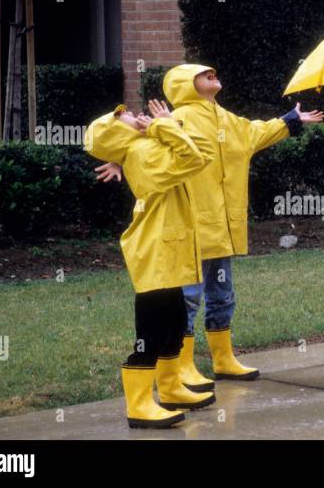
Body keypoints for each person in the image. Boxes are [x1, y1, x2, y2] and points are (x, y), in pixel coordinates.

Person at [96, 65, 324, 390]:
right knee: (188, 296)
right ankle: (182, 364)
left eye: (214, 72)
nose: (214, 74)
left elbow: (254, 133)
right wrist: (119, 158)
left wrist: (289, 121)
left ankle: (223, 357)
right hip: (191, 224)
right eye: (205, 74)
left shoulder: (226, 119)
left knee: (223, 294)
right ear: (184, 85)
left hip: (221, 226)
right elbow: (147, 140)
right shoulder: (180, 119)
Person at [84, 100, 217, 428]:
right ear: (117, 132)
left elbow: (206, 152)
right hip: (155, 253)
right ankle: (140, 404)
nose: (131, 112)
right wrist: (163, 125)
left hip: (165, 253)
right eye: (122, 115)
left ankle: (171, 387)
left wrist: (172, 125)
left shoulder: (148, 146)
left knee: (173, 323)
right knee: (153, 330)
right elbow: (194, 158)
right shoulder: (145, 154)